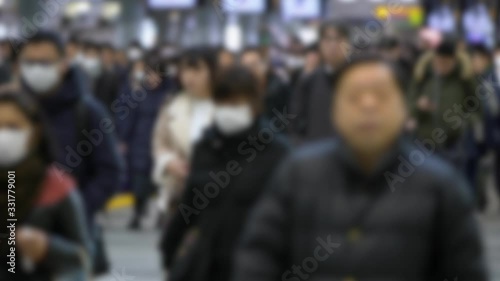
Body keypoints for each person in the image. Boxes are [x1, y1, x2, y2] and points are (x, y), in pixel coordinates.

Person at [233, 55, 488, 281]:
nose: (368, 106)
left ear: (403, 107)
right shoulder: (298, 173)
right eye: (354, 97)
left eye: (381, 96)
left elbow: (466, 270)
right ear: (334, 109)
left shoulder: (440, 186)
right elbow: (259, 257)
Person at [161, 65, 290, 281]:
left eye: (236, 103)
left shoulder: (277, 153)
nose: (228, 109)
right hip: (209, 265)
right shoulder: (207, 147)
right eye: (222, 103)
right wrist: (169, 248)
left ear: (255, 104)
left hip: (258, 268)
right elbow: (189, 206)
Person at [18, 31, 123, 275]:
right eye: (29, 62)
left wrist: (74, 210)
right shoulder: (11, 109)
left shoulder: (87, 112)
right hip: (15, 237)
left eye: (44, 62)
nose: (36, 69)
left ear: (63, 64)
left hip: (71, 238)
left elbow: (110, 171)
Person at [0, 92, 92, 281]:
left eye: (12, 127)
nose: (3, 136)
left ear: (35, 132)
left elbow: (83, 258)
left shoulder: (56, 187)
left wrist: (48, 247)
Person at [152, 47, 217, 223]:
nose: (189, 76)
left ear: (213, 70)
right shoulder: (172, 105)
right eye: (185, 70)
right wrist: (169, 162)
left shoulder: (226, 106)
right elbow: (160, 142)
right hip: (178, 194)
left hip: (217, 197)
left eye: (196, 70)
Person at [409, 37, 481, 172]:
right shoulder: (424, 75)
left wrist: (464, 121)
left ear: (454, 61)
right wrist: (419, 106)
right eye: (439, 62)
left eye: (446, 63)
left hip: (455, 144)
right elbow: (409, 105)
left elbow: (477, 108)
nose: (442, 66)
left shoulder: (464, 78)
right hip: (425, 142)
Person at [117, 55, 173, 230]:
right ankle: (138, 213)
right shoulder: (139, 94)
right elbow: (129, 118)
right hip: (140, 140)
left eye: (157, 75)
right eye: (150, 74)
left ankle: (162, 215)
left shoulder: (169, 96)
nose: (153, 79)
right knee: (140, 179)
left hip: (164, 142)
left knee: (163, 181)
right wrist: (123, 139)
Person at [289, 22, 351, 144]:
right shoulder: (309, 81)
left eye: (338, 39)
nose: (333, 45)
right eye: (327, 40)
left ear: (348, 43)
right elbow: (295, 121)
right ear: (320, 45)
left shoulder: (358, 79)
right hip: (316, 152)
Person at [470, 43, 500, 208]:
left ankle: (480, 198)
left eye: (477, 59)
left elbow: (493, 108)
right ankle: (478, 199)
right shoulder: (472, 79)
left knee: (487, 167)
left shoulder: (490, 79)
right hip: (478, 132)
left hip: (490, 132)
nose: (475, 63)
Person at [241, 47, 290, 130]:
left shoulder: (278, 87)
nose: (250, 70)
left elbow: (287, 115)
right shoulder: (240, 88)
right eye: (246, 66)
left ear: (263, 64)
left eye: (253, 64)